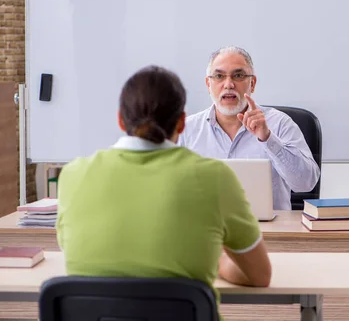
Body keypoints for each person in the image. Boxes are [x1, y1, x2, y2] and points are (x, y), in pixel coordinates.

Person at [56, 65, 271, 314]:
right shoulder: (214, 177)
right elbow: (259, 275)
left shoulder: (73, 174)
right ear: (181, 122)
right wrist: (218, 261)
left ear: (120, 119)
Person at [178, 46, 320, 210]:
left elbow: (306, 184)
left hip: (269, 233)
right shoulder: (186, 130)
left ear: (252, 83)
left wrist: (268, 139)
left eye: (238, 75)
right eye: (219, 76)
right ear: (208, 84)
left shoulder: (280, 123)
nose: (228, 84)